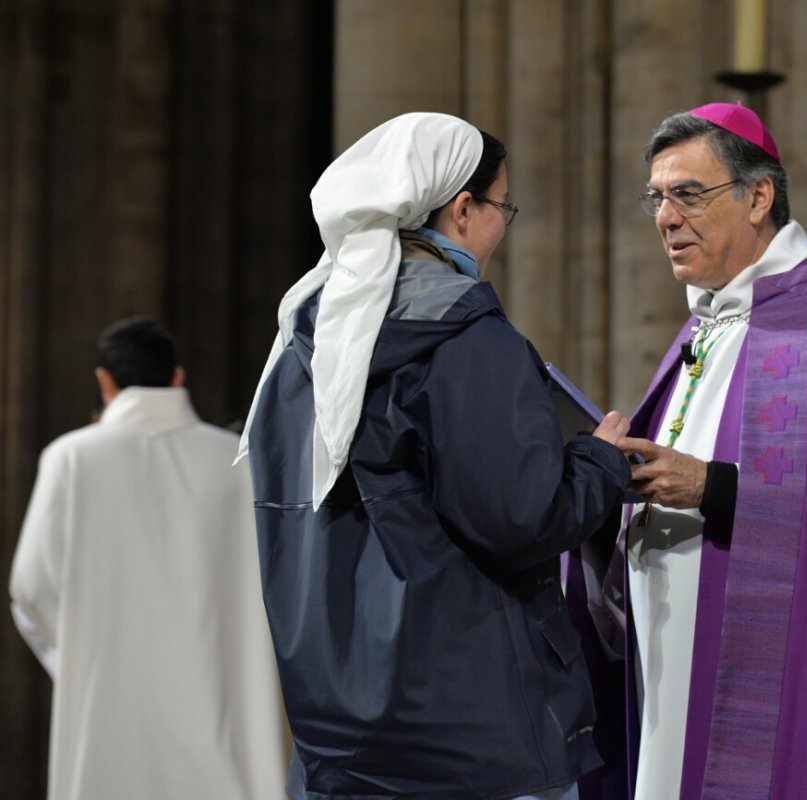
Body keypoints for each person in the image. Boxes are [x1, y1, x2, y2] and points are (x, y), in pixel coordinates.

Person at [570, 102, 807, 799]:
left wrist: (714, 490)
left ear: (759, 197)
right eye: (656, 198)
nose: (665, 217)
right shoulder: (707, 326)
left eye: (689, 194)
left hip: (783, 688)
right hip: (671, 666)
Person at [236, 112, 632, 800]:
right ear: (462, 209)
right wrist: (601, 462)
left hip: (339, 742)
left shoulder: (298, 349)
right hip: (471, 739)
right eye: (502, 206)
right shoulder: (468, 337)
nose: (503, 227)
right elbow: (522, 518)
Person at [8, 317, 286, 800]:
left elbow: (30, 587)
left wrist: (78, 651)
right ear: (177, 377)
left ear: (104, 381)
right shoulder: (237, 463)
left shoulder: (71, 458)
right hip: (219, 699)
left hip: (108, 707)